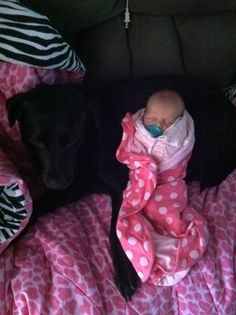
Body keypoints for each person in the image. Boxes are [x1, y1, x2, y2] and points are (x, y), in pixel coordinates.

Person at [116, 89, 209, 286]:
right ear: (144, 114)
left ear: (179, 124)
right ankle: (145, 248)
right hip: (141, 182)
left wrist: (169, 133)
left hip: (169, 184)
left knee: (167, 215)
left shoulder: (178, 138)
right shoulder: (138, 130)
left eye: (167, 123)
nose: (158, 124)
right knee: (135, 213)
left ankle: (170, 250)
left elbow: (180, 148)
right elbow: (129, 151)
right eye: (152, 118)